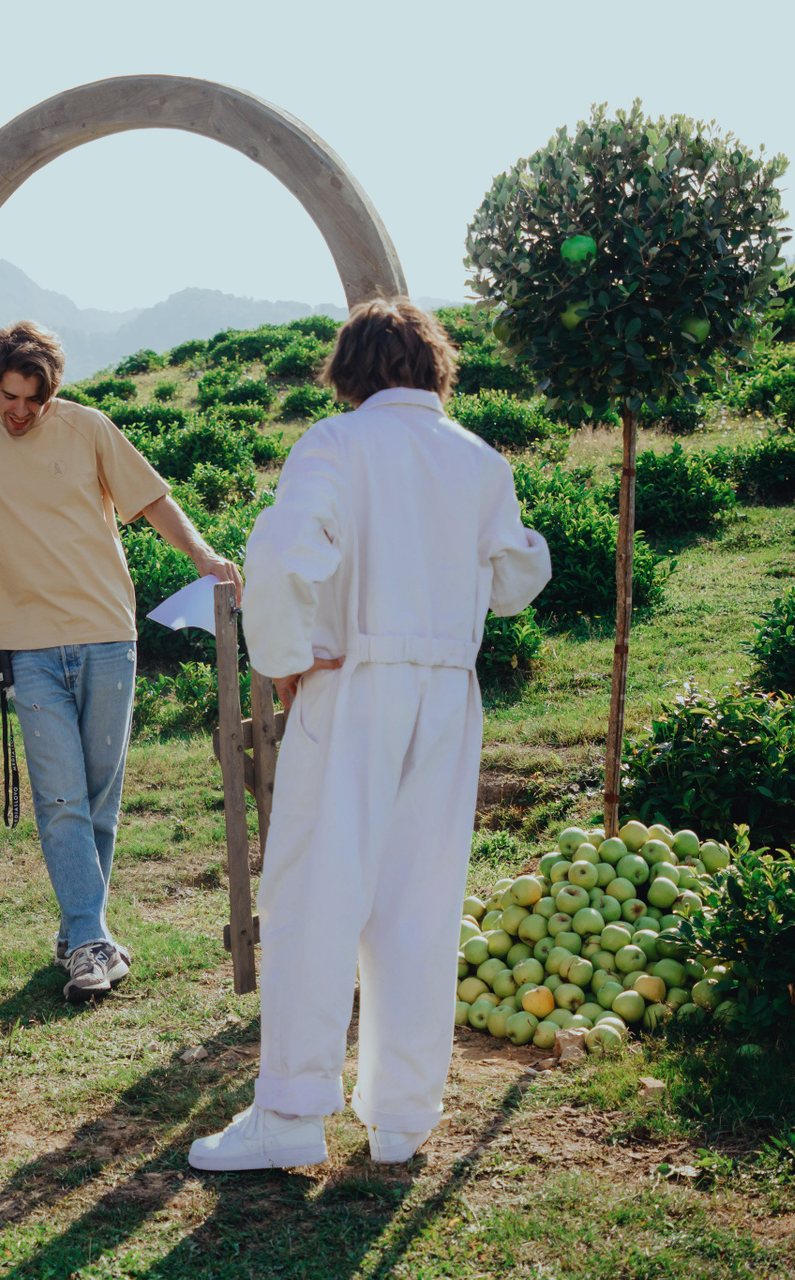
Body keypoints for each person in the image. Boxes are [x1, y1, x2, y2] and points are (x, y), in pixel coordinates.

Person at [188, 299, 552, 1171]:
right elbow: (517, 580)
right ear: (434, 368)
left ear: (350, 372)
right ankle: (401, 1117)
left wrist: (284, 656)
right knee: (421, 901)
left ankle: (291, 1111)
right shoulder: (480, 460)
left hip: (353, 682)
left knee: (316, 895)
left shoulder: (337, 444)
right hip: (447, 691)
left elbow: (282, 551)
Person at [0, 321, 243, 1002]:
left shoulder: (89, 428)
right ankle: (92, 942)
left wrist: (202, 555)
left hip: (107, 632)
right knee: (61, 795)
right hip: (26, 643)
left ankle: (79, 933)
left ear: (51, 393)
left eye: (33, 400)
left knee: (100, 796)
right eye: (8, 397)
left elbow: (152, 500)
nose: (19, 411)